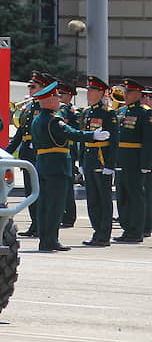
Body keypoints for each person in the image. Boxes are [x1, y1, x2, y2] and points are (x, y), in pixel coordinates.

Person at [30, 81, 109, 251]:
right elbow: (71, 133)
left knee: (44, 205)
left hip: (42, 165)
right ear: (50, 99)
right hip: (56, 166)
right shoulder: (53, 120)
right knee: (55, 206)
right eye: (56, 97)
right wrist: (93, 135)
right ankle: (51, 240)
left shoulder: (37, 119)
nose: (59, 100)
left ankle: (45, 239)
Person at [6, 70, 53, 237]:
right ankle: (35, 224)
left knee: (39, 192)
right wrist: (6, 153)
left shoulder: (45, 106)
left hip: (38, 154)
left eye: (33, 86)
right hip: (27, 154)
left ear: (43, 88)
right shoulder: (30, 107)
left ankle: (41, 225)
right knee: (30, 193)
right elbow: (20, 133)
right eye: (29, 87)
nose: (30, 90)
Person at [79, 76, 118, 246]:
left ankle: (104, 234)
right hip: (89, 160)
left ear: (101, 93)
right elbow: (83, 138)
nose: (89, 93)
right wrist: (80, 162)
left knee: (103, 198)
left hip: (102, 161)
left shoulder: (108, 113)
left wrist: (110, 165)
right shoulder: (86, 112)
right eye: (88, 89)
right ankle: (97, 232)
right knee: (92, 200)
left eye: (92, 90)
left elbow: (114, 141)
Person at [113, 78, 152, 242]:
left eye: (129, 92)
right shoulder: (122, 112)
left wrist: (145, 164)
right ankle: (127, 228)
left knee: (136, 196)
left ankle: (137, 231)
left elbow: (148, 140)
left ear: (138, 94)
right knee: (122, 195)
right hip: (121, 160)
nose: (126, 94)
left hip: (135, 161)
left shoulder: (144, 112)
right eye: (126, 91)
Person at [57, 81, 82, 228]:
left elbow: (74, 130)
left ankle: (69, 216)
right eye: (59, 93)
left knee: (67, 185)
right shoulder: (60, 110)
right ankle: (62, 214)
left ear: (70, 96)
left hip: (69, 151)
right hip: (59, 150)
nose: (60, 96)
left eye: (63, 94)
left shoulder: (73, 112)